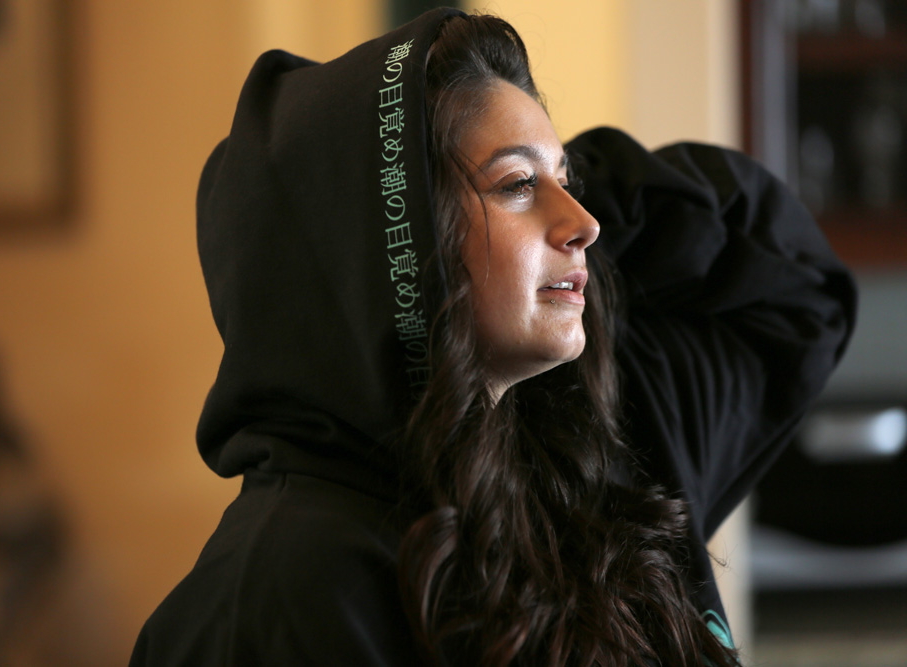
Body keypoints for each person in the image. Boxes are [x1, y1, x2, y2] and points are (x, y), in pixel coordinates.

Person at [129, 8, 855, 666]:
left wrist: (558, 177)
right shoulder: (280, 595)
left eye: (569, 182)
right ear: (390, 247)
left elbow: (801, 288)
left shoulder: (605, 449)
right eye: (516, 186)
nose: (586, 224)